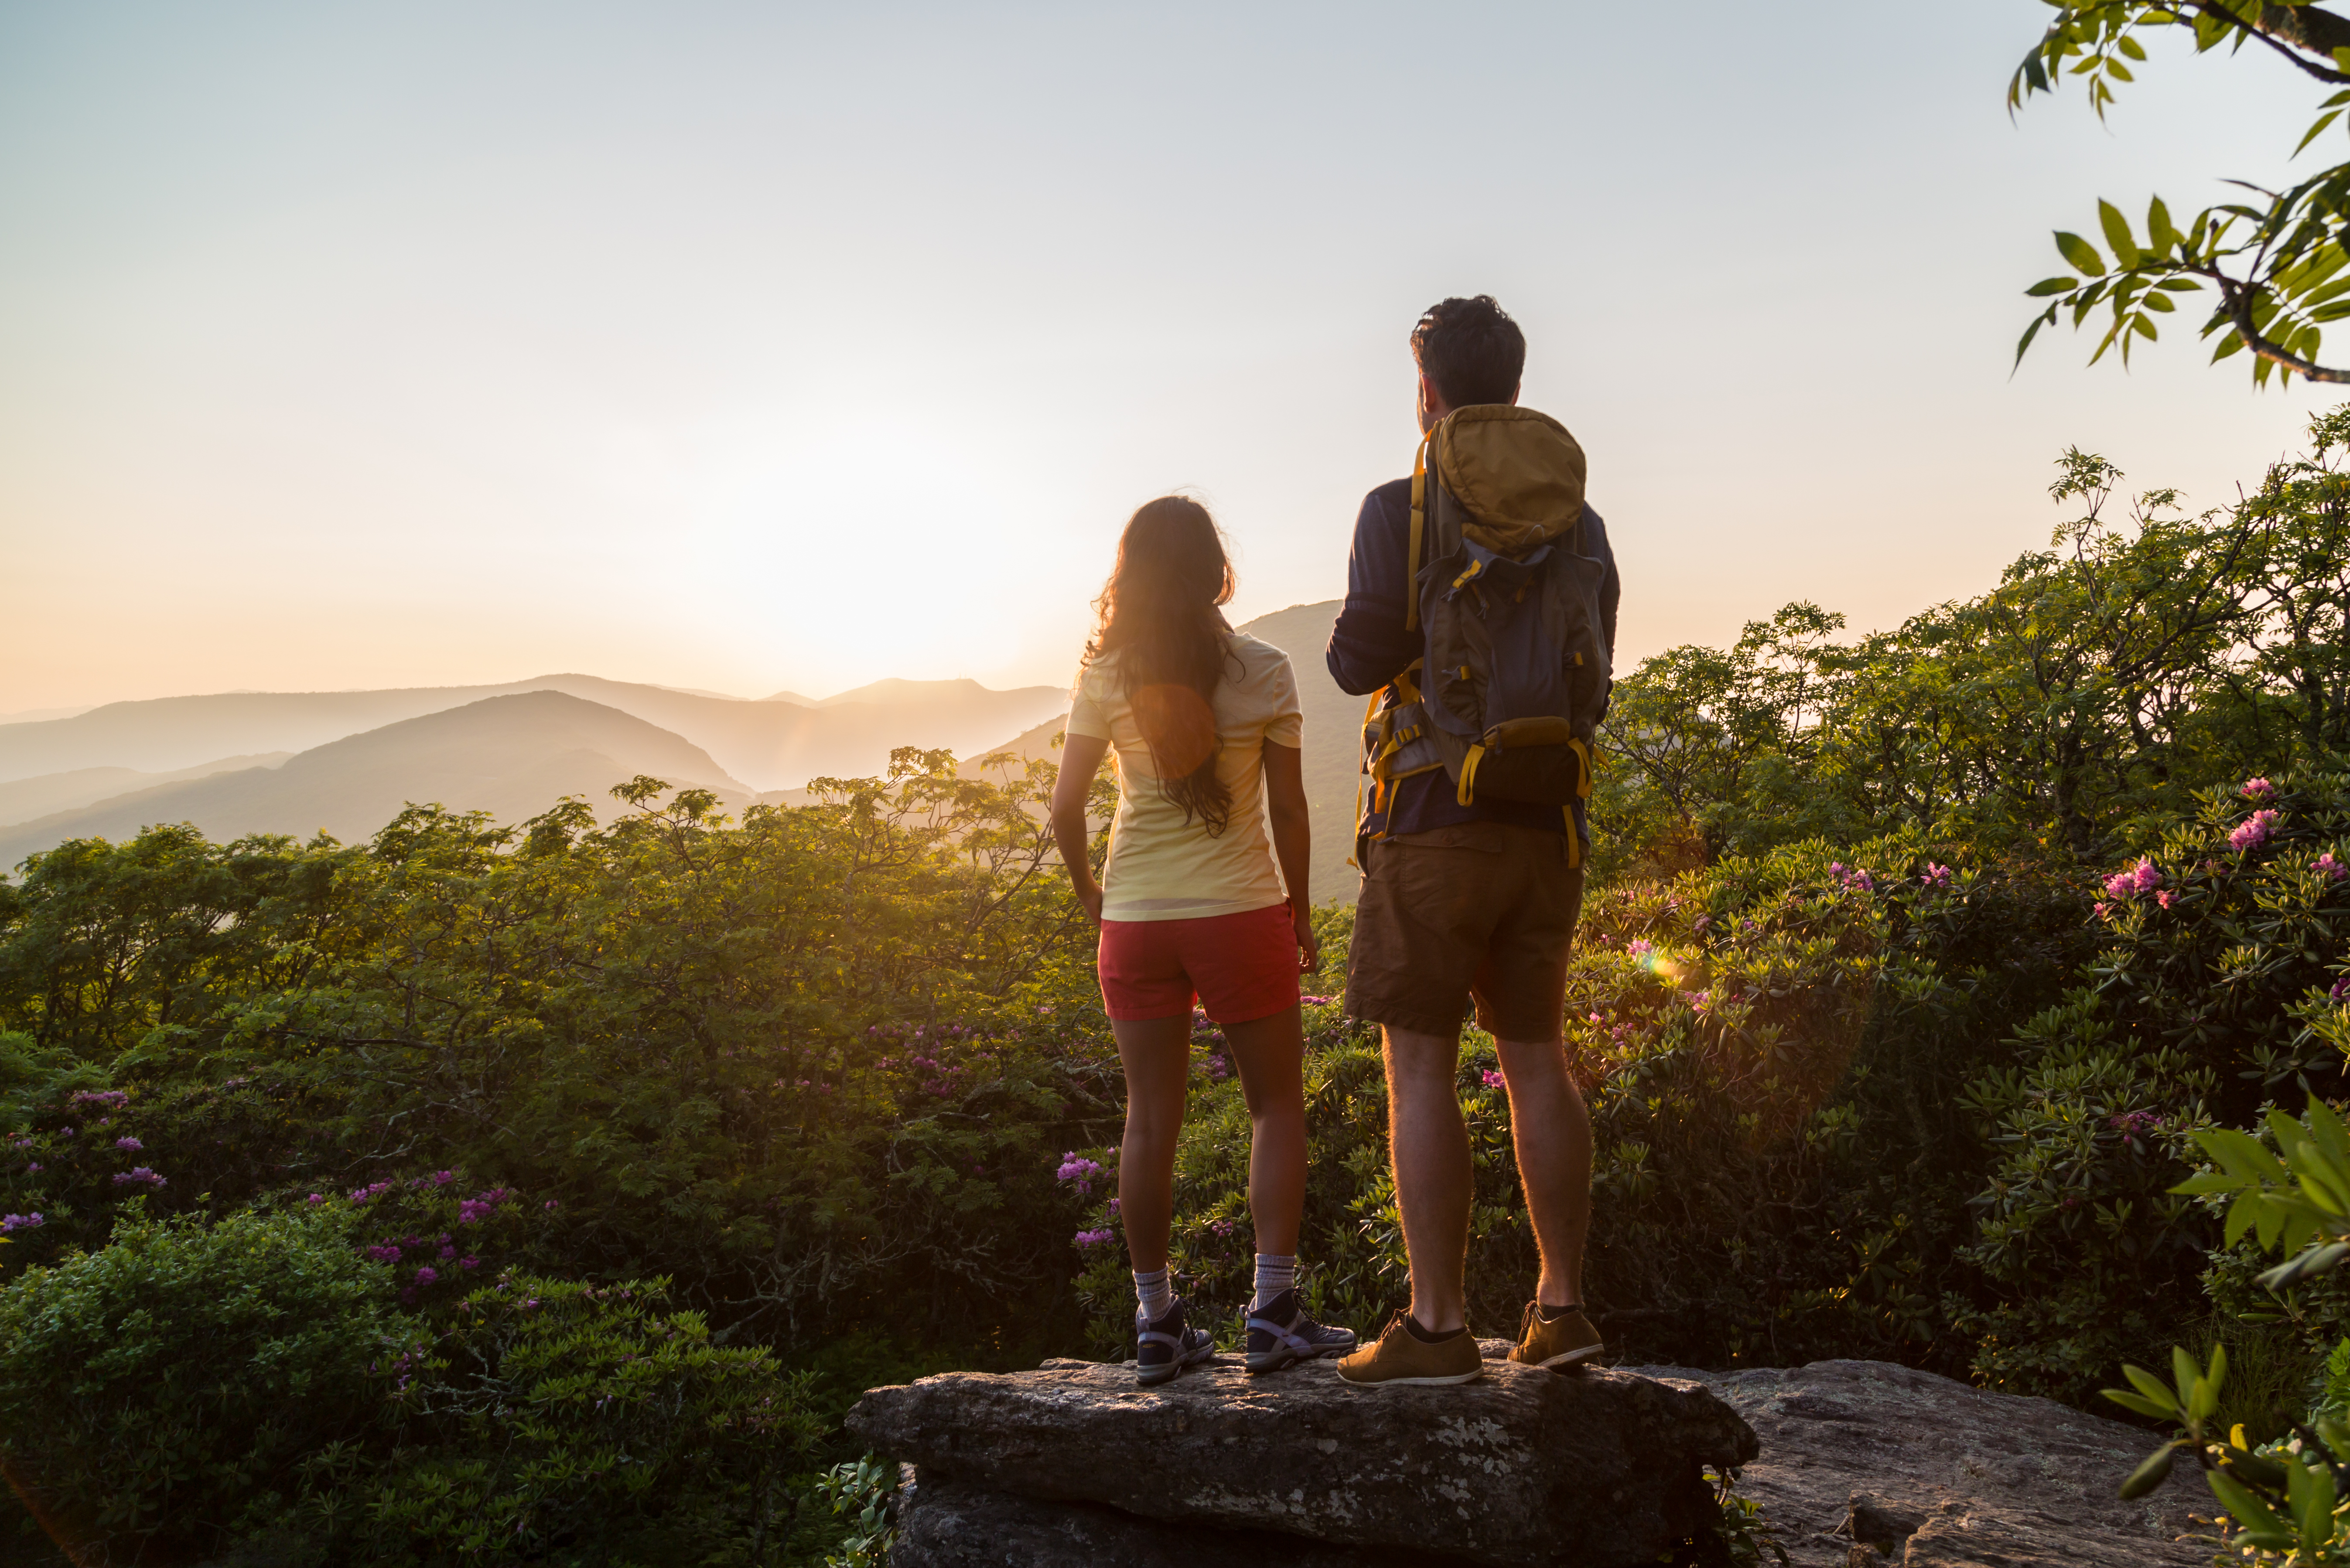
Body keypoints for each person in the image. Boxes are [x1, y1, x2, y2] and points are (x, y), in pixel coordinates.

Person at [1326, 296, 1620, 1387]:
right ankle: (1562, 1307)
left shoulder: (1397, 506)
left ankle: (1440, 1327)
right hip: (1549, 822)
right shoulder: (1578, 521)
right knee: (1537, 1061)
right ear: (1515, 383)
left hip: (1433, 820)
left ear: (1427, 392)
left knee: (1421, 1069)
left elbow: (1357, 662)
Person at [1049, 494, 1357, 1387]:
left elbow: (1066, 808)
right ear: (1217, 573)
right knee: (1276, 1108)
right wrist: (1299, 912)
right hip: (1239, 912)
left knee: (1150, 1119)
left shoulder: (1105, 673)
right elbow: (1291, 808)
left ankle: (1156, 1323)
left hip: (1136, 920)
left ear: (1129, 576)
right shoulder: (1264, 669)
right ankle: (1272, 1311)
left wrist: (1092, 898)